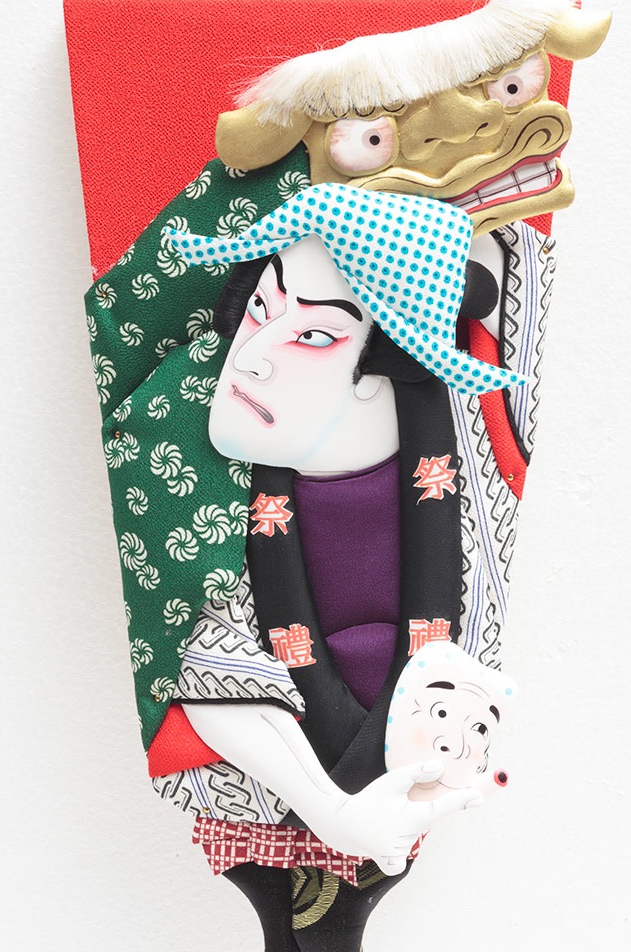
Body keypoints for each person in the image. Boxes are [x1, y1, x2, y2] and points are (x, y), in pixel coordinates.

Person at [150, 184, 526, 951]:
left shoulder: (470, 455)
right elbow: (202, 665)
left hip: (400, 742)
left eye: (316, 333)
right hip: (279, 773)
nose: (251, 359)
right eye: (260, 310)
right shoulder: (204, 493)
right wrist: (332, 809)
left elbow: (513, 261)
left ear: (379, 368)